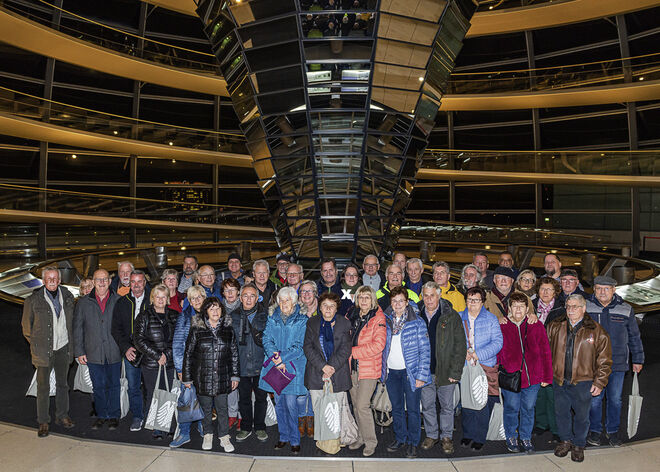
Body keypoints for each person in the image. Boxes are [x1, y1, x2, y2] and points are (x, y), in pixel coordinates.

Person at [547, 294, 612, 463]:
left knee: (582, 416)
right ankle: (565, 441)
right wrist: (546, 374)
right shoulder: (555, 326)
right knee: (561, 414)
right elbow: (545, 352)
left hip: (583, 382)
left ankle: (579, 445)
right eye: (568, 306)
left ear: (584, 308)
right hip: (559, 380)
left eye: (575, 306)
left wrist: (599, 382)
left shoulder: (596, 331)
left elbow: (604, 360)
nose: (570, 310)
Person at [586, 276, 644, 447]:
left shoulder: (625, 309)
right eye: (598, 288)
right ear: (594, 290)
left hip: (617, 364)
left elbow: (634, 336)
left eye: (606, 289)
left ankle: (612, 431)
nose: (602, 292)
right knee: (595, 399)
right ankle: (595, 431)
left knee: (615, 399)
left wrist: (638, 358)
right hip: (592, 364)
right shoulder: (586, 307)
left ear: (614, 290)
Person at [22, 265, 76, 437]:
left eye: (55, 278)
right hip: (43, 351)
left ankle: (62, 415)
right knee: (43, 387)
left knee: (63, 384)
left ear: (59, 280)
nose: (52, 281)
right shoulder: (33, 300)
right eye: (49, 278)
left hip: (63, 348)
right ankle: (43, 421)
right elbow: (26, 328)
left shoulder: (67, 296)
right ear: (44, 281)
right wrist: (38, 344)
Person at [498, 292, 553, 453]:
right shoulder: (502, 325)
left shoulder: (536, 325)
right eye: (514, 306)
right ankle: (511, 435)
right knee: (511, 408)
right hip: (511, 377)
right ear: (509, 308)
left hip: (533, 377)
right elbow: (498, 351)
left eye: (521, 306)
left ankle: (526, 437)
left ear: (527, 308)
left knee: (528, 408)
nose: (518, 309)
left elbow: (545, 351)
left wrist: (547, 376)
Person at [182, 297, 239, 452]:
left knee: (222, 409)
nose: (215, 311)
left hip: (223, 376)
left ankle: (224, 436)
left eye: (218, 308)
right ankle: (208, 434)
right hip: (203, 377)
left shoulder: (228, 329)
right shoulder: (196, 329)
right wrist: (187, 378)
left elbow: (234, 354)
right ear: (206, 311)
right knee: (206, 409)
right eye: (212, 308)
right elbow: (188, 354)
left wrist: (235, 376)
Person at [381, 286, 431, 459]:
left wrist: (421, 376)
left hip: (411, 373)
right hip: (391, 373)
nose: (397, 304)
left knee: (413, 409)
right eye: (394, 301)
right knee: (396, 408)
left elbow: (425, 351)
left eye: (401, 301)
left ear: (407, 302)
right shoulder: (385, 320)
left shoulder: (417, 321)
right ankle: (400, 438)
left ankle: (413, 442)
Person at [259, 287, 309, 454]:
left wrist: (282, 359)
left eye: (287, 300)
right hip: (276, 367)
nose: (283, 303)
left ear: (294, 302)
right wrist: (276, 358)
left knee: (291, 404)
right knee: (279, 404)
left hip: (293, 368)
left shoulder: (302, 320)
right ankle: (283, 437)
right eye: (280, 300)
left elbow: (300, 346)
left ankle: (295, 439)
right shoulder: (272, 318)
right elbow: (266, 339)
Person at [418, 282, 465, 455]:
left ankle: (446, 437)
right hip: (424, 371)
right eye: (426, 295)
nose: (429, 299)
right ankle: (431, 435)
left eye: (432, 295)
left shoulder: (451, 316)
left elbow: (460, 346)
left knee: (447, 406)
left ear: (439, 296)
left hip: (446, 371)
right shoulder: (416, 315)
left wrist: (455, 372)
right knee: (428, 405)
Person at [303, 292, 352, 453]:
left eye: (332, 306)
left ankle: (334, 443)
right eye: (325, 305)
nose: (328, 309)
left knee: (335, 411)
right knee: (319, 410)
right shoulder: (312, 322)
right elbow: (308, 347)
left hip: (337, 373)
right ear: (319, 306)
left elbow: (345, 349)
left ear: (337, 307)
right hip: (316, 373)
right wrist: (323, 366)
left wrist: (331, 367)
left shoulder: (344, 323)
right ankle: (322, 442)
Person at [73, 268, 122, 430]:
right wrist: (79, 351)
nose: (101, 283)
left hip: (113, 351)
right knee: (98, 386)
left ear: (109, 281)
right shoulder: (83, 302)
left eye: (104, 279)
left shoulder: (119, 300)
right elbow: (78, 329)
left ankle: (114, 415)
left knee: (114, 385)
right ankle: (101, 415)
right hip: (93, 352)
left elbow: (124, 328)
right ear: (93, 282)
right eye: (98, 280)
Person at [459, 286, 503, 451]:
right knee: (467, 402)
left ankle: (479, 436)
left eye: (476, 300)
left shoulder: (491, 319)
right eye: (470, 300)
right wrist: (463, 353)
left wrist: (479, 354)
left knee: (481, 403)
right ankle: (468, 434)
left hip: (485, 365)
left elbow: (498, 343)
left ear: (482, 302)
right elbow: (455, 341)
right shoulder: (459, 317)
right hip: (465, 367)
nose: (472, 304)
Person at [133, 284, 178, 440]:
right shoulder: (144, 316)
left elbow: (177, 339)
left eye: (163, 296)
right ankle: (158, 427)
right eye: (157, 296)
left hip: (170, 362)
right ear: (152, 298)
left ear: (167, 299)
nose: (160, 299)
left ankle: (170, 425)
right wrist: (157, 356)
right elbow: (138, 340)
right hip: (151, 364)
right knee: (154, 395)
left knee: (170, 395)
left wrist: (166, 354)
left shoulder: (174, 315)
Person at [346, 286, 386, 457]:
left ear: (373, 300)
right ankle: (361, 437)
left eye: (367, 298)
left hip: (369, 369)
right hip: (353, 369)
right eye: (361, 297)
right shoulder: (352, 316)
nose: (363, 301)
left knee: (362, 405)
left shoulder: (378, 318)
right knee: (356, 405)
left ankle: (371, 441)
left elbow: (378, 345)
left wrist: (352, 351)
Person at [111, 270, 149, 432]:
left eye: (139, 281)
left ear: (145, 283)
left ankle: (151, 416)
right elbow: (116, 329)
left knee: (151, 386)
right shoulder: (122, 302)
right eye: (133, 282)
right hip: (131, 352)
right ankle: (138, 416)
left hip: (150, 352)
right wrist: (126, 348)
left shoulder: (154, 300)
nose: (136, 285)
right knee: (133, 386)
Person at [169, 285, 207, 448]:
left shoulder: (213, 315)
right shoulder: (184, 318)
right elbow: (177, 346)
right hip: (189, 368)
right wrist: (180, 369)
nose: (197, 300)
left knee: (205, 400)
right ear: (189, 302)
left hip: (208, 367)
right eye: (193, 298)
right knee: (186, 400)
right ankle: (184, 433)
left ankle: (203, 427)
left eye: (200, 297)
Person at [231, 284, 269, 443]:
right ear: (240, 297)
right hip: (242, 365)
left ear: (257, 298)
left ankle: (260, 426)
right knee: (244, 399)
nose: (248, 299)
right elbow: (231, 344)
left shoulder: (265, 315)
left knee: (261, 398)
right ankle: (246, 427)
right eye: (245, 295)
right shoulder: (232, 316)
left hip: (261, 365)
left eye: (252, 295)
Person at [532, 276, 564, 441]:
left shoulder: (561, 310)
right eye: (542, 289)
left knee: (553, 395)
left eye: (549, 289)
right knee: (538, 393)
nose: (545, 292)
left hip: (553, 358)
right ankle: (541, 424)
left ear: (555, 292)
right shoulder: (531, 307)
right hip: (535, 358)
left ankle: (556, 427)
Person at [221, 278, 242, 430]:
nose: (230, 293)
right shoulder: (218, 309)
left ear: (238, 292)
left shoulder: (245, 306)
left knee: (245, 387)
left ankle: (242, 416)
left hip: (243, 351)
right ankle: (232, 414)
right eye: (226, 290)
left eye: (232, 289)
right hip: (226, 354)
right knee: (231, 386)